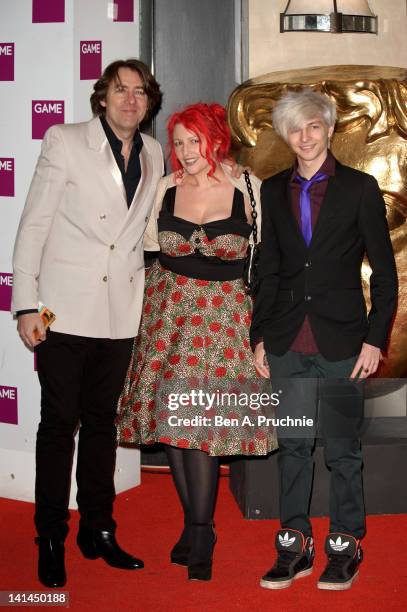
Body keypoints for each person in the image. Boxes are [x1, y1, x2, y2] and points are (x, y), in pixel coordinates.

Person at [11, 59, 164, 588]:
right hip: (64, 308)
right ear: (103, 97)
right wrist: (25, 303)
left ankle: (98, 529)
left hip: (119, 313)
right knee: (58, 426)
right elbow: (34, 223)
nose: (130, 100)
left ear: (149, 102)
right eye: (120, 90)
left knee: (102, 426)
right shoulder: (65, 139)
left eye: (140, 93)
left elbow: (142, 231)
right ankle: (50, 534)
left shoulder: (154, 152)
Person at [116, 102, 278, 581]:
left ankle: (202, 530)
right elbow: (145, 250)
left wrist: (264, 332)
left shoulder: (249, 188)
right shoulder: (165, 188)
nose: (185, 152)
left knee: (201, 423)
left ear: (216, 138)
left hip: (223, 320)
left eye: (194, 140)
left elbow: (270, 264)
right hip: (168, 318)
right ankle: (194, 524)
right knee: (175, 424)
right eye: (179, 142)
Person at [251, 88, 398, 591]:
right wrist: (259, 337)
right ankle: (293, 545)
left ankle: (344, 544)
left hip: (342, 346)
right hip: (288, 343)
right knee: (291, 446)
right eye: (295, 129)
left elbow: (384, 272)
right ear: (286, 136)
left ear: (330, 129)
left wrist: (376, 339)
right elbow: (266, 268)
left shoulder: (359, 188)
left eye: (314, 126)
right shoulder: (272, 190)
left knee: (341, 451)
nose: (305, 136)